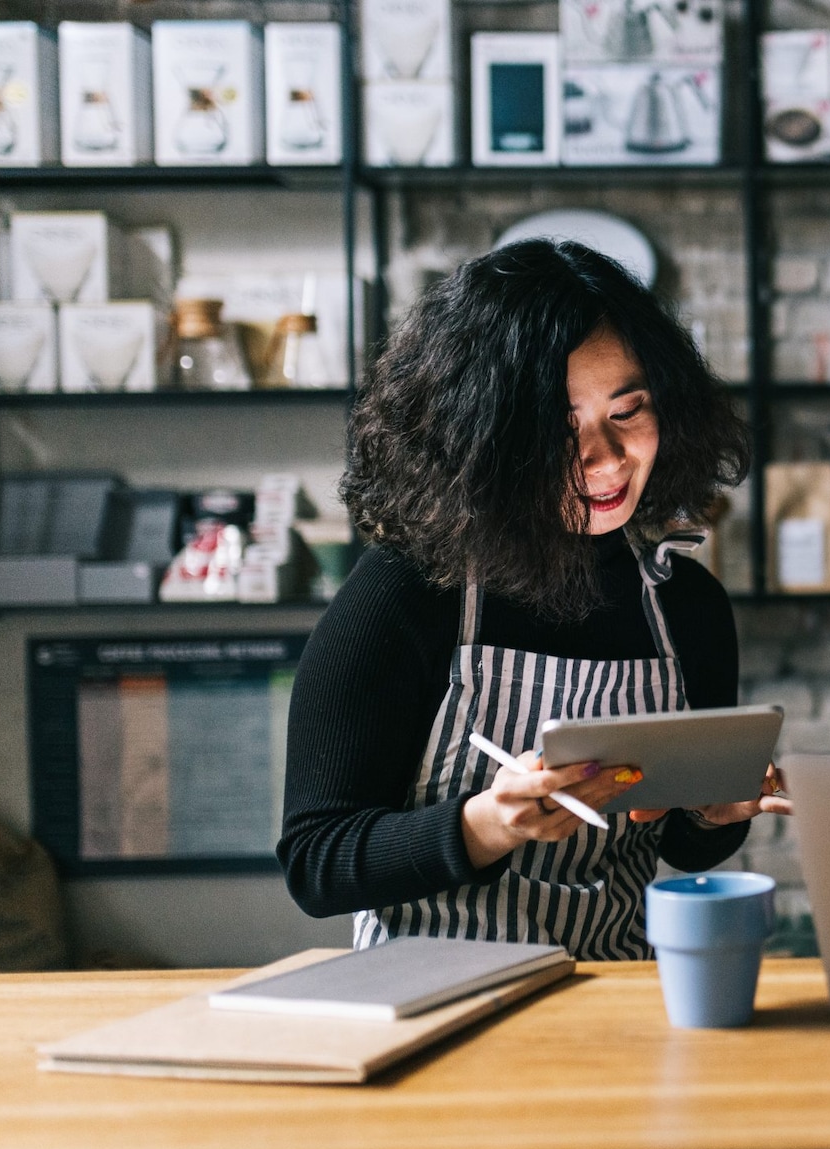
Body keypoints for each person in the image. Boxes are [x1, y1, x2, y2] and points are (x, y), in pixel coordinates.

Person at [278, 239, 781, 958]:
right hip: (430, 1002)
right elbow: (316, 863)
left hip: (614, 1000)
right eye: (558, 429)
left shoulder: (685, 605)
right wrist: (487, 823)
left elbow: (683, 852)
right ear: (481, 439)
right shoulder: (407, 593)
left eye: (628, 411)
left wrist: (713, 812)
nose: (606, 458)